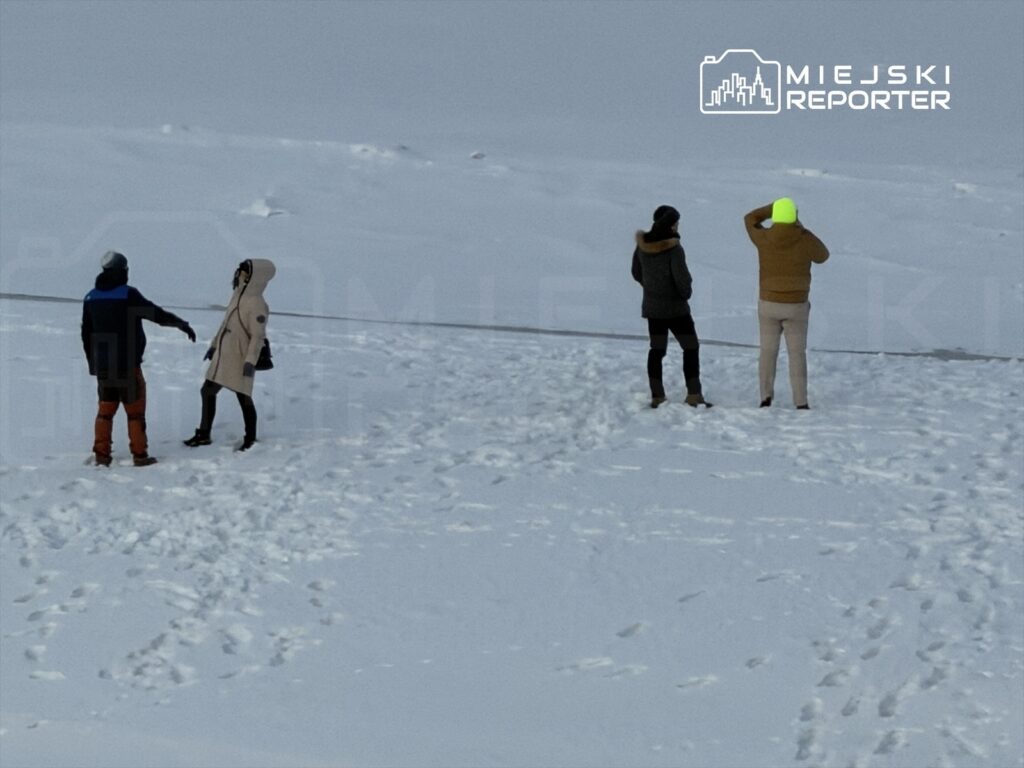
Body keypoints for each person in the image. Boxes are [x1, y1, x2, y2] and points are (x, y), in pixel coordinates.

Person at [81, 250, 196, 466]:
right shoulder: (128, 295)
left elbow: (86, 334)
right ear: (122, 271)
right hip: (127, 366)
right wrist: (181, 323)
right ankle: (140, 455)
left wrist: (93, 364)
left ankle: (102, 455)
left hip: (104, 368)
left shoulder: (90, 298)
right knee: (135, 412)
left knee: (105, 411)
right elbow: (156, 314)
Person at [744, 197, 829, 409]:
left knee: (768, 352)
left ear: (776, 215)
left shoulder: (763, 238)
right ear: (794, 217)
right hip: (796, 306)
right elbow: (823, 256)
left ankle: (765, 397)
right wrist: (800, 227)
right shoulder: (804, 238)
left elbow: (749, 218)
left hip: (768, 303)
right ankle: (800, 401)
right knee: (797, 354)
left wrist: (770, 209)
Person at [184, 258, 275, 451]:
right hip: (223, 355)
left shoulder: (258, 304)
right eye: (241, 270)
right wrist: (214, 345)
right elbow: (226, 323)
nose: (240, 274)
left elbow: (257, 337)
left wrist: (250, 361)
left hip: (240, 358)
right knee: (207, 391)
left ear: (255, 277)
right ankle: (203, 433)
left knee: (243, 396)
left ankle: (250, 438)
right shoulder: (238, 294)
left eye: (245, 271)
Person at [631, 205, 711, 409]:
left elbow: (636, 272)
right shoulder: (674, 249)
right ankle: (694, 394)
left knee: (656, 350)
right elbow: (682, 280)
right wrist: (684, 293)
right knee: (691, 347)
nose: (678, 226)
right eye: (676, 222)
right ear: (670, 224)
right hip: (677, 311)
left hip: (653, 310)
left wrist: (651, 287)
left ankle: (657, 396)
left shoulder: (641, 246)